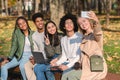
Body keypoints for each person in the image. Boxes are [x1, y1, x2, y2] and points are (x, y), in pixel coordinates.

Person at [63, 11, 107, 80]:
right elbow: (82, 55)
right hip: (85, 67)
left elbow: (98, 32)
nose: (83, 24)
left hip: (96, 69)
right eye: (80, 23)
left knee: (72, 76)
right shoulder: (84, 37)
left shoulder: (94, 35)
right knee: (66, 75)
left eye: (84, 21)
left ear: (89, 21)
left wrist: (96, 20)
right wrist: (78, 63)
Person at [50, 13, 83, 80]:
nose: (69, 25)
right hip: (68, 63)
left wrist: (67, 66)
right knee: (63, 77)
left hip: (78, 64)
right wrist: (56, 63)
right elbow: (64, 56)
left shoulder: (79, 37)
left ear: (74, 25)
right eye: (67, 23)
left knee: (69, 77)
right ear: (64, 26)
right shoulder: (63, 39)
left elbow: (78, 57)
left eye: (71, 23)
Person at [24, 12, 45, 80]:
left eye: (41, 20)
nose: (40, 23)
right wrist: (34, 58)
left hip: (48, 59)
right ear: (34, 23)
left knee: (36, 68)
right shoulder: (34, 35)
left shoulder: (49, 32)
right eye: (37, 21)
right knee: (26, 65)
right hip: (39, 58)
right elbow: (35, 49)